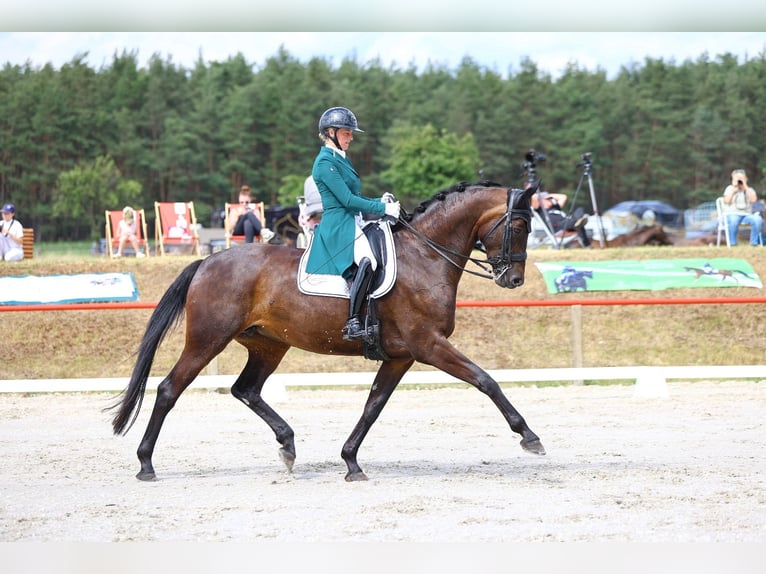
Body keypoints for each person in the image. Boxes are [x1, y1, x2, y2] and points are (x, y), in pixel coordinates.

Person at [305, 106, 400, 341]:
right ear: (331, 133)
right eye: (347, 133)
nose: (351, 137)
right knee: (368, 260)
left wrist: (379, 201)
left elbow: (354, 197)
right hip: (338, 225)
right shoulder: (324, 163)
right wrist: (383, 209)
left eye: (350, 133)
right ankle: (353, 322)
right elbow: (347, 200)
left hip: (352, 220)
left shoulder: (340, 159)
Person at [721, 169, 762, 246]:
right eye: (737, 178)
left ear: (746, 179)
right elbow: (726, 201)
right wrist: (734, 188)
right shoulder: (729, 188)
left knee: (758, 219)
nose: (739, 181)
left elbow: (754, 200)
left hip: (747, 215)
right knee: (733, 220)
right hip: (732, 214)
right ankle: (733, 243)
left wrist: (745, 186)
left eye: (741, 178)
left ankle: (754, 243)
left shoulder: (749, 189)